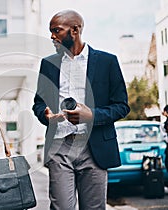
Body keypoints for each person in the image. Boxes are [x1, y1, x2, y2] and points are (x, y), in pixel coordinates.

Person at [32, 10, 130, 210]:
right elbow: (38, 103)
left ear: (75, 30)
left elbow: (121, 106)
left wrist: (92, 116)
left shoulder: (107, 62)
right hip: (60, 147)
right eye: (51, 31)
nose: (52, 36)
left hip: (94, 148)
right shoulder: (48, 64)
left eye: (56, 31)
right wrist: (46, 115)